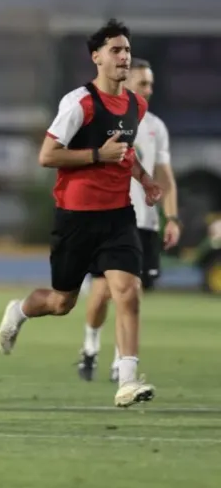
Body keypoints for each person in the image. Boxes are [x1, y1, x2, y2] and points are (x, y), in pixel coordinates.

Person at [0, 19, 161, 407]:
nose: (124, 57)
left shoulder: (136, 104)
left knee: (128, 292)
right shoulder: (79, 103)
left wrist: (145, 179)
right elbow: (47, 155)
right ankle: (18, 311)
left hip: (118, 216)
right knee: (61, 303)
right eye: (115, 50)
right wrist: (97, 155)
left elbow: (126, 152)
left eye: (127, 50)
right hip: (76, 218)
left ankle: (127, 381)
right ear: (97, 57)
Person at [76, 58, 180, 382]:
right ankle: (90, 346)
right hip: (111, 218)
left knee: (132, 295)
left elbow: (165, 176)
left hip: (145, 222)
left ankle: (121, 362)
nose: (148, 89)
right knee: (102, 292)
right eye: (142, 83)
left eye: (151, 84)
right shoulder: (104, 119)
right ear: (126, 82)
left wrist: (172, 217)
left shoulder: (156, 126)